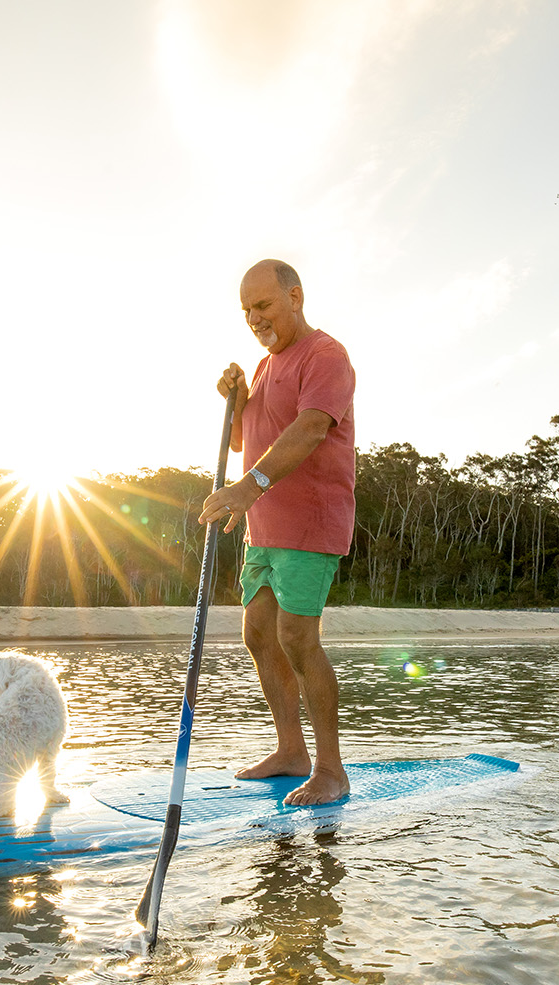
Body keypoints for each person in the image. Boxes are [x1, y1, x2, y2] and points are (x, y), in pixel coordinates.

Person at [198, 259, 356, 806]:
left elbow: (311, 428)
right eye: (246, 310)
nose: (254, 318)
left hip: (310, 521)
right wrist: (236, 401)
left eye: (262, 305)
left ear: (295, 296)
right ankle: (292, 751)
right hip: (264, 527)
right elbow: (248, 434)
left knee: (296, 637)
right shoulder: (266, 366)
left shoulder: (325, 356)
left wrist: (246, 489)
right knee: (259, 632)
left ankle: (332, 771)